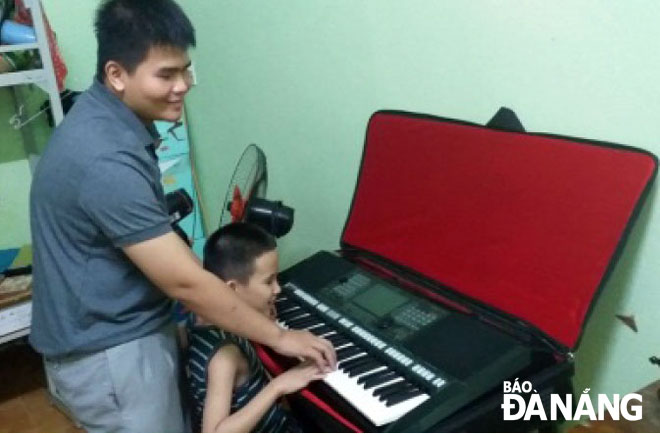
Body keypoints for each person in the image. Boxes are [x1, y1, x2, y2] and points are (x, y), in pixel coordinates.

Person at [28, 0, 335, 431]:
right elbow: (183, 281)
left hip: (118, 335)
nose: (183, 86)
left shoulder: (107, 122)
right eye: (165, 75)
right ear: (116, 74)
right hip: (109, 354)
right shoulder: (105, 157)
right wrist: (282, 338)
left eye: (185, 70)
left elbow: (170, 257)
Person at [188, 223, 324, 432]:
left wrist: (262, 316)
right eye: (268, 282)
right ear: (232, 289)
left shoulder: (201, 316)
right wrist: (278, 387)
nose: (277, 289)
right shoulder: (225, 355)